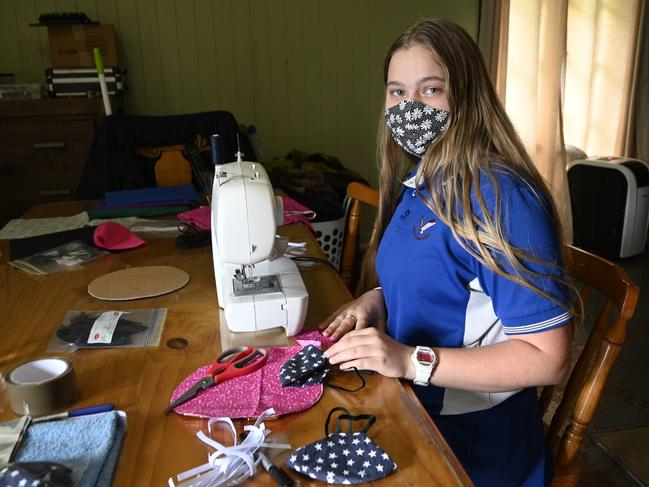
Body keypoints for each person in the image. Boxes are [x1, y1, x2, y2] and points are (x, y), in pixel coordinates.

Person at [320, 18, 574, 487]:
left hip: (473, 446)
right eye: (397, 93)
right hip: (413, 409)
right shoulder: (422, 181)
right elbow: (442, 277)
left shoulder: (500, 199)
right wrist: (377, 298)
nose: (409, 108)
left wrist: (407, 360)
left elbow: (547, 356)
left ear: (468, 95)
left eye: (431, 90)